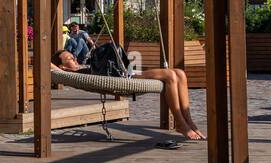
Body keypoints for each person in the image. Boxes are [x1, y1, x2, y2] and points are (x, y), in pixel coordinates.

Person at [51, 49, 202, 145]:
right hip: (121, 79)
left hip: (124, 73)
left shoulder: (81, 66)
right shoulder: (72, 74)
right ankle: (180, 122)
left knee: (180, 73)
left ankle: (189, 122)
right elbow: (49, 64)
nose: (74, 59)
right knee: (170, 76)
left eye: (73, 56)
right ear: (62, 66)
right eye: (70, 58)